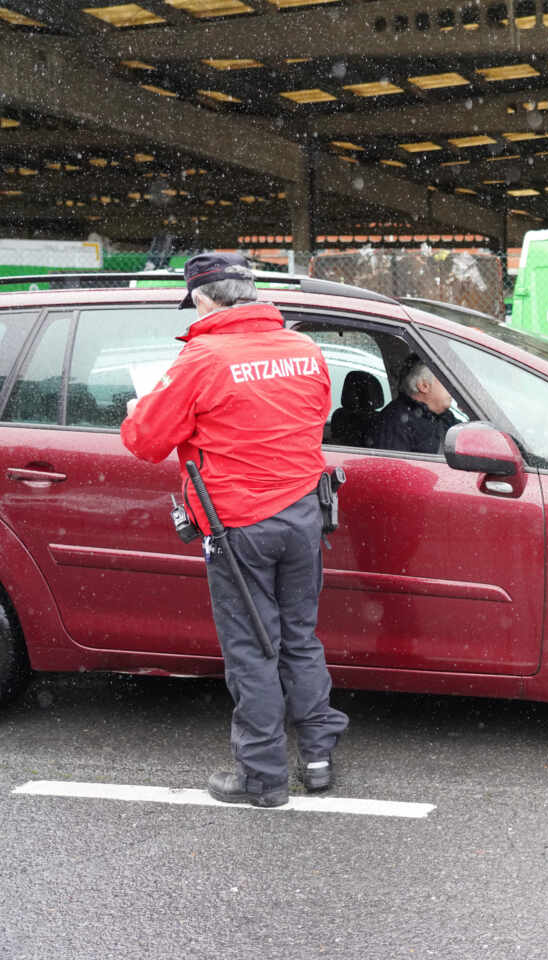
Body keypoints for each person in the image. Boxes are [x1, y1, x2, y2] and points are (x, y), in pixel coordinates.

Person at [122, 252, 348, 808]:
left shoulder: (202, 358)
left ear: (202, 298)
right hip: (303, 515)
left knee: (252, 650)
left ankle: (263, 777)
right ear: (249, 291)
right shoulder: (304, 348)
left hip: (239, 525)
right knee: (300, 637)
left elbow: (146, 441)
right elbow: (314, 418)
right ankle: (317, 757)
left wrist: (138, 408)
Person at [370, 353, 458, 454]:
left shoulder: (444, 417)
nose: (452, 386)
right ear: (424, 386)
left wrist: (468, 412)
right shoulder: (395, 423)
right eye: (445, 380)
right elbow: (394, 467)